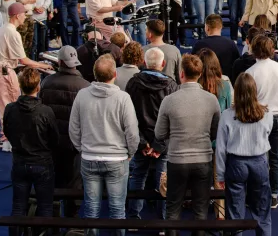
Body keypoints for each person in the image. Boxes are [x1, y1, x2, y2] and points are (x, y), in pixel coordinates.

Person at [70, 54, 139, 236]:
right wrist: (130, 153)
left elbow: (73, 129)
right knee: (117, 210)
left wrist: (83, 149)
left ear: (95, 74)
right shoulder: (123, 98)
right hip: (117, 159)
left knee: (91, 209)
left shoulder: (82, 95)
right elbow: (132, 132)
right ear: (115, 74)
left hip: (90, 157)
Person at [155, 54, 220, 234]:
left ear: (181, 73)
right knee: (200, 211)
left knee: (173, 209)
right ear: (200, 73)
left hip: (177, 160)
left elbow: (159, 134)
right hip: (203, 159)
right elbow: (215, 132)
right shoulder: (211, 100)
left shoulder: (169, 100)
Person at [125, 47, 180, 221]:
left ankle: (133, 217)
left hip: (143, 141)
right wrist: (157, 145)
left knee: (138, 175)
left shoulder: (133, 83)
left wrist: (143, 143)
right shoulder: (171, 85)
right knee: (163, 178)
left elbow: (129, 117)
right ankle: (163, 221)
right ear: (163, 64)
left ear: (144, 62)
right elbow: (172, 119)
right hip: (161, 143)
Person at [215, 73, 273, 236]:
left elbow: (220, 148)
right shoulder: (267, 114)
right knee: (262, 212)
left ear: (237, 92)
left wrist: (220, 175)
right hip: (259, 162)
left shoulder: (227, 115)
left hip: (236, 164)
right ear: (255, 91)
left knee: (234, 214)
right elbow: (267, 135)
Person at [4, 68, 59, 234]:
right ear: (38, 87)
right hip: (42, 163)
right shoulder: (45, 111)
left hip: (20, 162)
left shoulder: (10, 109)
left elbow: (7, 131)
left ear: (20, 85)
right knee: (45, 206)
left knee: (18, 206)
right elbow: (54, 138)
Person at [0, 3, 50, 150]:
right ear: (17, 15)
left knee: (4, 106)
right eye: (24, 14)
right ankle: (11, 140)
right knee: (12, 106)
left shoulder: (4, 28)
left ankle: (8, 139)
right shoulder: (12, 33)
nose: (25, 17)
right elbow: (24, 60)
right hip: (4, 72)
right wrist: (44, 65)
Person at [38, 45, 90, 214]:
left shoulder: (47, 83)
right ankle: (71, 217)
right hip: (75, 144)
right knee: (74, 183)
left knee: (54, 180)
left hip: (53, 142)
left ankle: (54, 216)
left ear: (59, 62)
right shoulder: (85, 86)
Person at [245, 36, 278, 208]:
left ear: (253, 49)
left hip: (258, 117)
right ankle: (273, 195)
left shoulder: (250, 72)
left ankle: (257, 194)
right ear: (272, 50)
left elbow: (248, 101)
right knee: (275, 158)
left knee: (257, 157)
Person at [192, 14, 240, 78]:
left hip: (205, 81)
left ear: (207, 28)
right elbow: (237, 65)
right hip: (227, 81)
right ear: (221, 27)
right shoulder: (231, 44)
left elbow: (192, 66)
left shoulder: (199, 45)